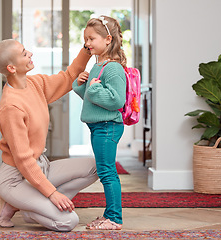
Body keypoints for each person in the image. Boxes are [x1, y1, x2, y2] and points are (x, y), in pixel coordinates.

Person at [0, 39, 98, 232]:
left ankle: (29, 204)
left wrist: (87, 49)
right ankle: (29, 208)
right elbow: (23, 160)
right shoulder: (10, 107)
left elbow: (69, 77)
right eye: (24, 53)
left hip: (41, 167)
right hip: (14, 179)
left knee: (97, 167)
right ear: (12, 68)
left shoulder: (34, 84)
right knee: (68, 222)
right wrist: (52, 194)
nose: (30, 53)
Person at [72, 16, 127, 230]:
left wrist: (93, 88)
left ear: (107, 39)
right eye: (85, 39)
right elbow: (92, 97)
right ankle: (109, 214)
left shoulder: (113, 68)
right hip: (99, 126)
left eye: (91, 38)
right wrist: (81, 85)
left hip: (107, 126)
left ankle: (114, 218)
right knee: (105, 170)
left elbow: (116, 100)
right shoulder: (98, 66)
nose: (87, 43)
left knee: (107, 171)